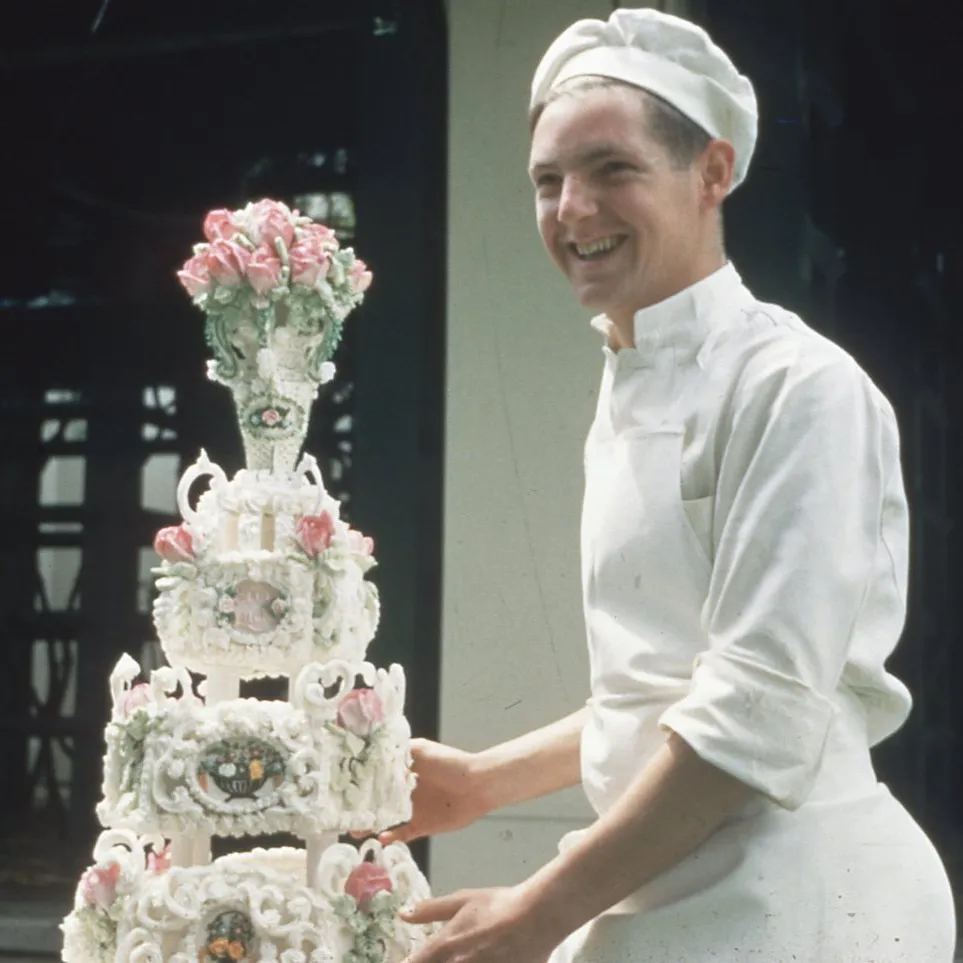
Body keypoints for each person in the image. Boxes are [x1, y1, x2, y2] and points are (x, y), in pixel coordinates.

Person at [384, 8, 957, 962]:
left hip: (797, 900)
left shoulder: (798, 389)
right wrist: (482, 781)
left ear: (712, 173)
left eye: (612, 169)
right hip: (664, 881)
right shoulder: (627, 380)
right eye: (547, 181)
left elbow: (754, 710)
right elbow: (659, 690)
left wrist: (538, 909)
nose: (572, 209)